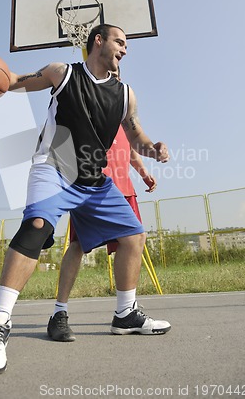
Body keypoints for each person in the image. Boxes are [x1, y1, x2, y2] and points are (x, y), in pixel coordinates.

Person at [0, 24, 171, 376]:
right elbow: (10, 80)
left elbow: (136, 135)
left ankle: (125, 313)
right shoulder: (63, 73)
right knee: (37, 227)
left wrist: (154, 148)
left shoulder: (126, 94)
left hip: (93, 180)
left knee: (134, 235)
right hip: (53, 168)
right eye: (120, 41)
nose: (125, 49)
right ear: (98, 41)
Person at [47, 106, 157, 342]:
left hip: (124, 189)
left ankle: (126, 310)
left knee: (134, 242)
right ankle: (59, 311)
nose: (115, 73)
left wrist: (144, 173)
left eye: (119, 70)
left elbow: (131, 150)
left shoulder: (125, 117)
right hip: (92, 187)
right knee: (77, 245)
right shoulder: (88, 105)